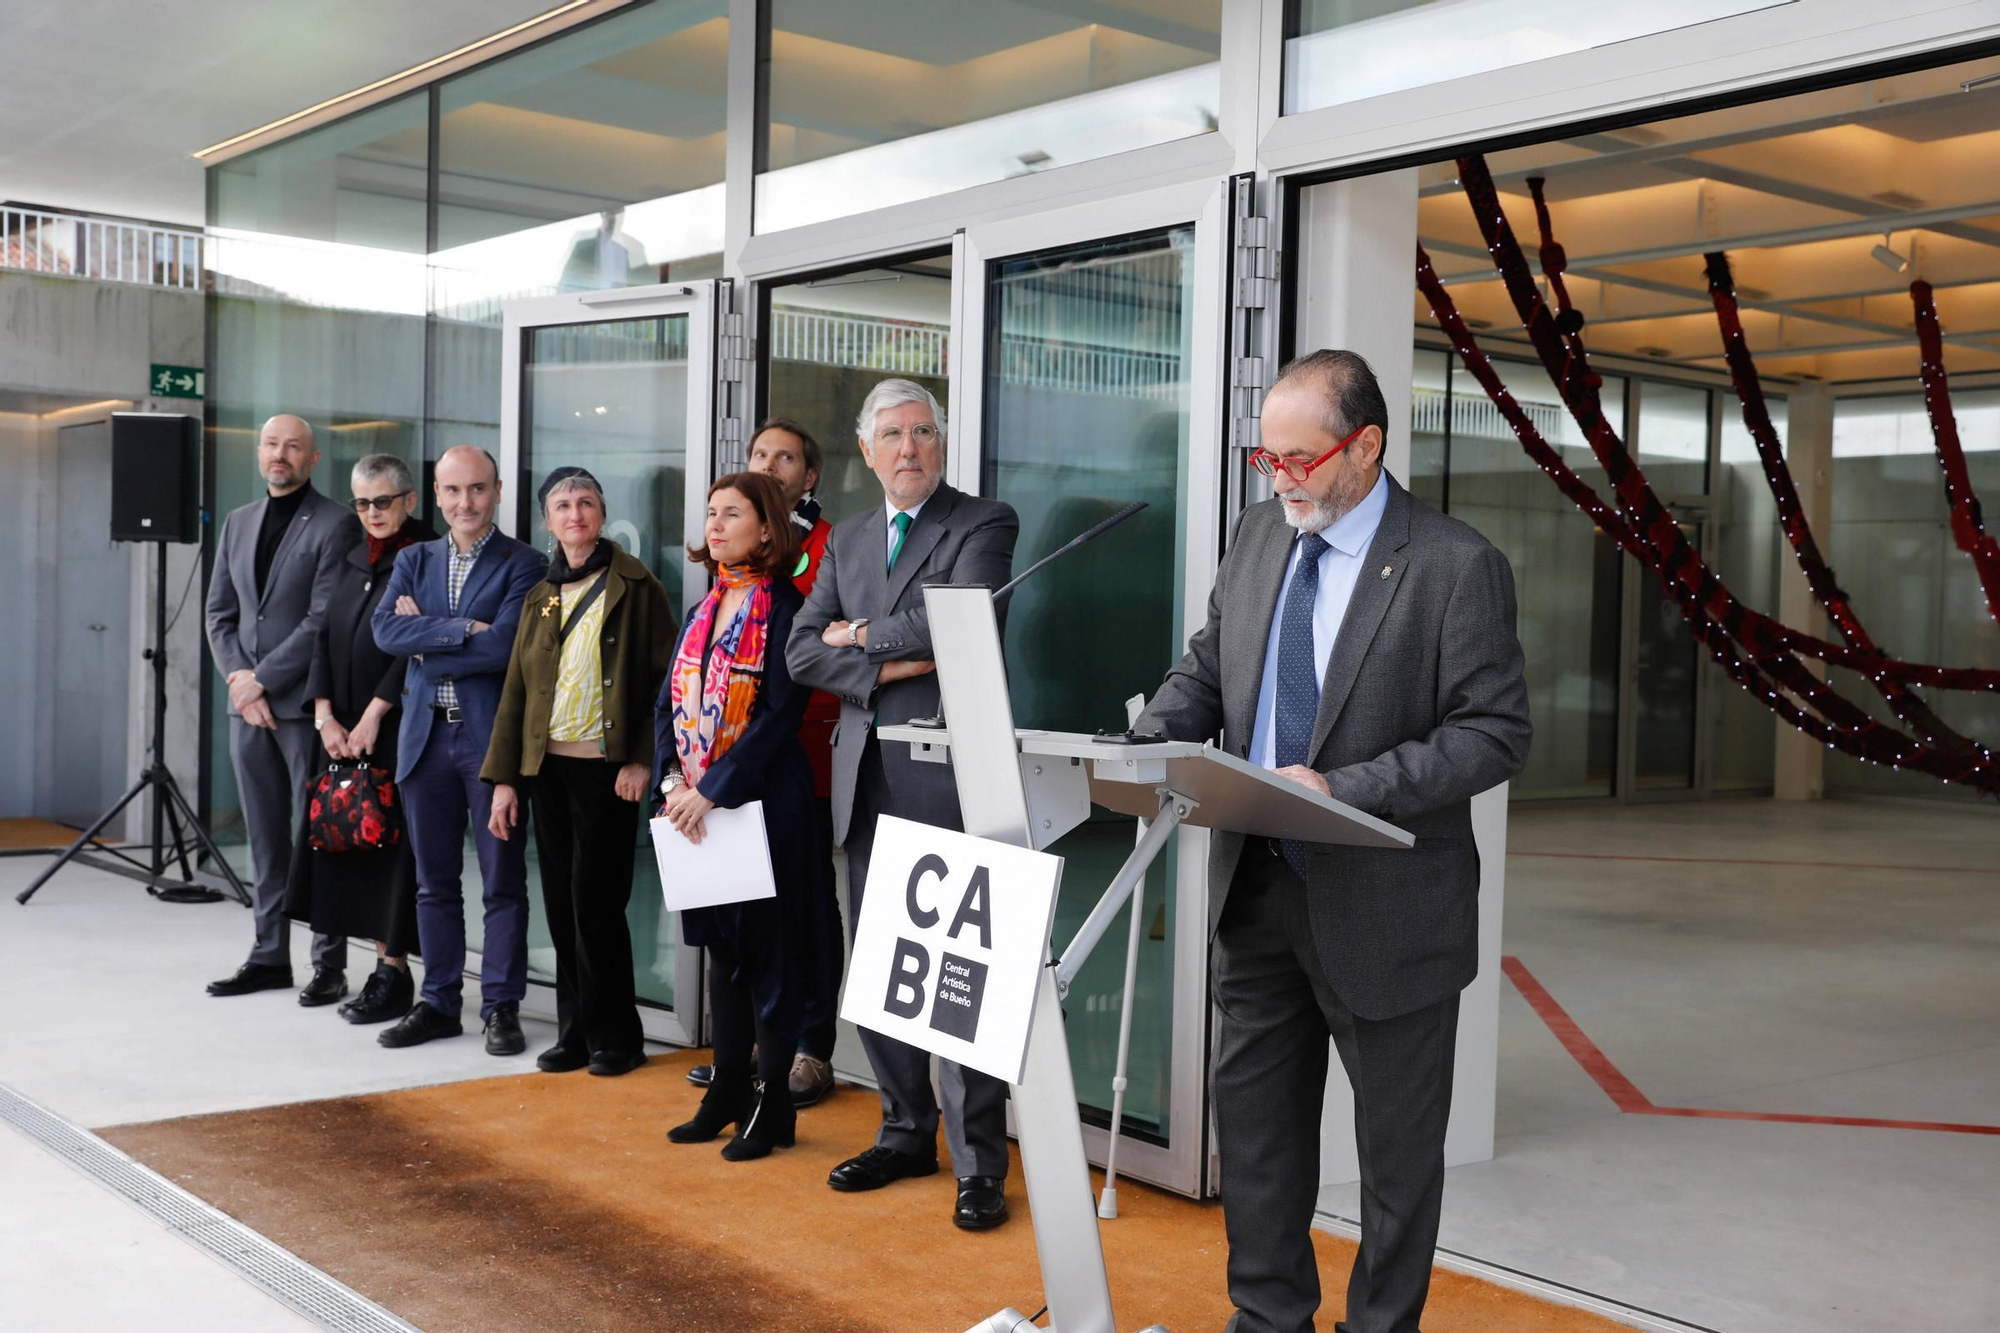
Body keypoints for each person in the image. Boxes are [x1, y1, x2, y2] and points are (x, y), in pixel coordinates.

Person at [1135, 350, 1531, 1333]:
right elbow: (1207, 668)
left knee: (1396, 1160)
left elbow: (1492, 732)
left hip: (1387, 908)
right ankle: (1267, 1319)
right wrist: (1144, 744)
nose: (1278, 479)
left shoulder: (1453, 564)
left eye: (1297, 459)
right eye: (1263, 459)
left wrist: (1343, 790)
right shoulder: (1261, 533)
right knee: (1260, 1139)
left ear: (1364, 446)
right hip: (1257, 886)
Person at [786, 378, 1020, 1231]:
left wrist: (859, 634)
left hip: (950, 774)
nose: (909, 448)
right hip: (866, 782)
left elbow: (961, 624)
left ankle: (979, 1163)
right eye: (892, 435)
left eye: (923, 431)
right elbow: (801, 651)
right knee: (884, 969)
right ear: (868, 448)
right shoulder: (847, 540)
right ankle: (904, 1130)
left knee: (957, 977)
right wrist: (885, 661)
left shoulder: (983, 522)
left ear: (942, 441)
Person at [481, 467, 677, 1077]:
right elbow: (517, 689)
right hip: (549, 772)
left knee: (598, 904)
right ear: (548, 520)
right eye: (562, 505)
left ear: (602, 511)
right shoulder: (541, 595)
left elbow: (664, 681)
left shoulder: (638, 585)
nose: (575, 513)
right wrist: (507, 780)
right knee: (562, 907)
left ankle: (619, 1036)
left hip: (607, 772)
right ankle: (576, 1032)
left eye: (586, 502)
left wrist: (643, 757)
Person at [659, 471, 832, 1160]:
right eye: (711, 513)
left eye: (733, 513)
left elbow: (781, 713)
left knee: (770, 961)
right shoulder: (706, 605)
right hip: (696, 803)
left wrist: (715, 787)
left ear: (768, 527)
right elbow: (664, 702)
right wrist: (675, 780)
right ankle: (726, 1087)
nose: (717, 523)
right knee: (722, 957)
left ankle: (774, 1105)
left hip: (761, 801)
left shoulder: (788, 607)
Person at [370, 445, 545, 1056]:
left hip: (486, 742)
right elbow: (385, 631)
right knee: (433, 884)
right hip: (424, 739)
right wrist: (460, 628)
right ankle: (440, 1002)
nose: (464, 502)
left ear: (496, 490)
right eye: (452, 491)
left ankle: (500, 1007)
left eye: (476, 489)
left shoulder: (526, 564)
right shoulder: (414, 558)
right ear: (437, 495)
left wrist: (428, 636)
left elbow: (505, 649)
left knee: (502, 883)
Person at [203, 414, 360, 1003]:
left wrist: (260, 682)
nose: (281, 454)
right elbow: (220, 613)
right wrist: (241, 682)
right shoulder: (238, 522)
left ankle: (329, 964)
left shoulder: (336, 524)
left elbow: (323, 618)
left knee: (318, 838)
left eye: (293, 446)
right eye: (272, 444)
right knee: (265, 841)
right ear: (260, 451)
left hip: (300, 711)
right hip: (248, 711)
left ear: (313, 458)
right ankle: (268, 955)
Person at [283, 455, 435, 1024]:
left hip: (393, 726)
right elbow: (322, 634)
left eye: (384, 501)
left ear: (410, 502)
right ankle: (342, 968)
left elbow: (415, 645)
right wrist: (324, 715)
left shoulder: (424, 558)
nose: (372, 512)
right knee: (340, 845)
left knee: (388, 853)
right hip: (340, 730)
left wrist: (374, 714)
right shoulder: (349, 556)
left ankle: (391, 971)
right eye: (363, 502)